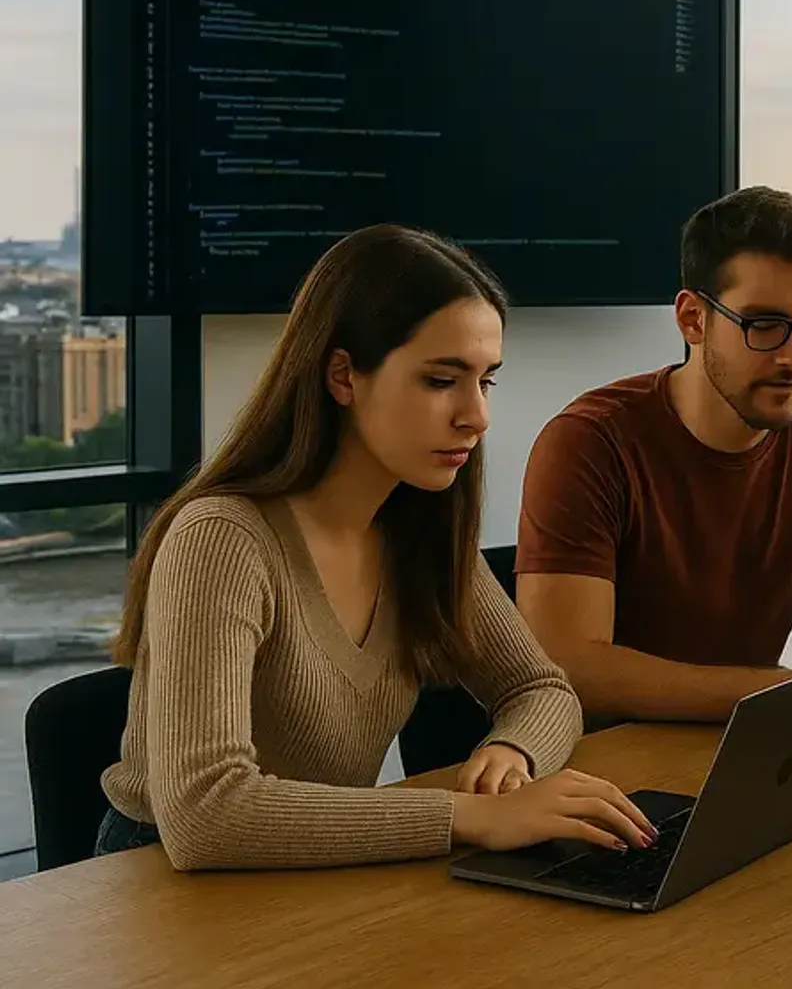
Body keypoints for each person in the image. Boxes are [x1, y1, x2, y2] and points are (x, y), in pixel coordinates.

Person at [99, 225, 656, 871]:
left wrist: (515, 754)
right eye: (441, 380)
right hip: (157, 892)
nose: (476, 416)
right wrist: (470, 816)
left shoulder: (418, 531)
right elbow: (205, 814)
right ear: (343, 375)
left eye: (486, 382)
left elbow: (543, 689)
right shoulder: (222, 538)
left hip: (309, 877)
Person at [514, 187, 792, 732]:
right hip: (607, 766)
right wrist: (790, 691)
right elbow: (571, 667)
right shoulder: (588, 442)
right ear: (693, 319)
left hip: (750, 745)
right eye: (764, 325)